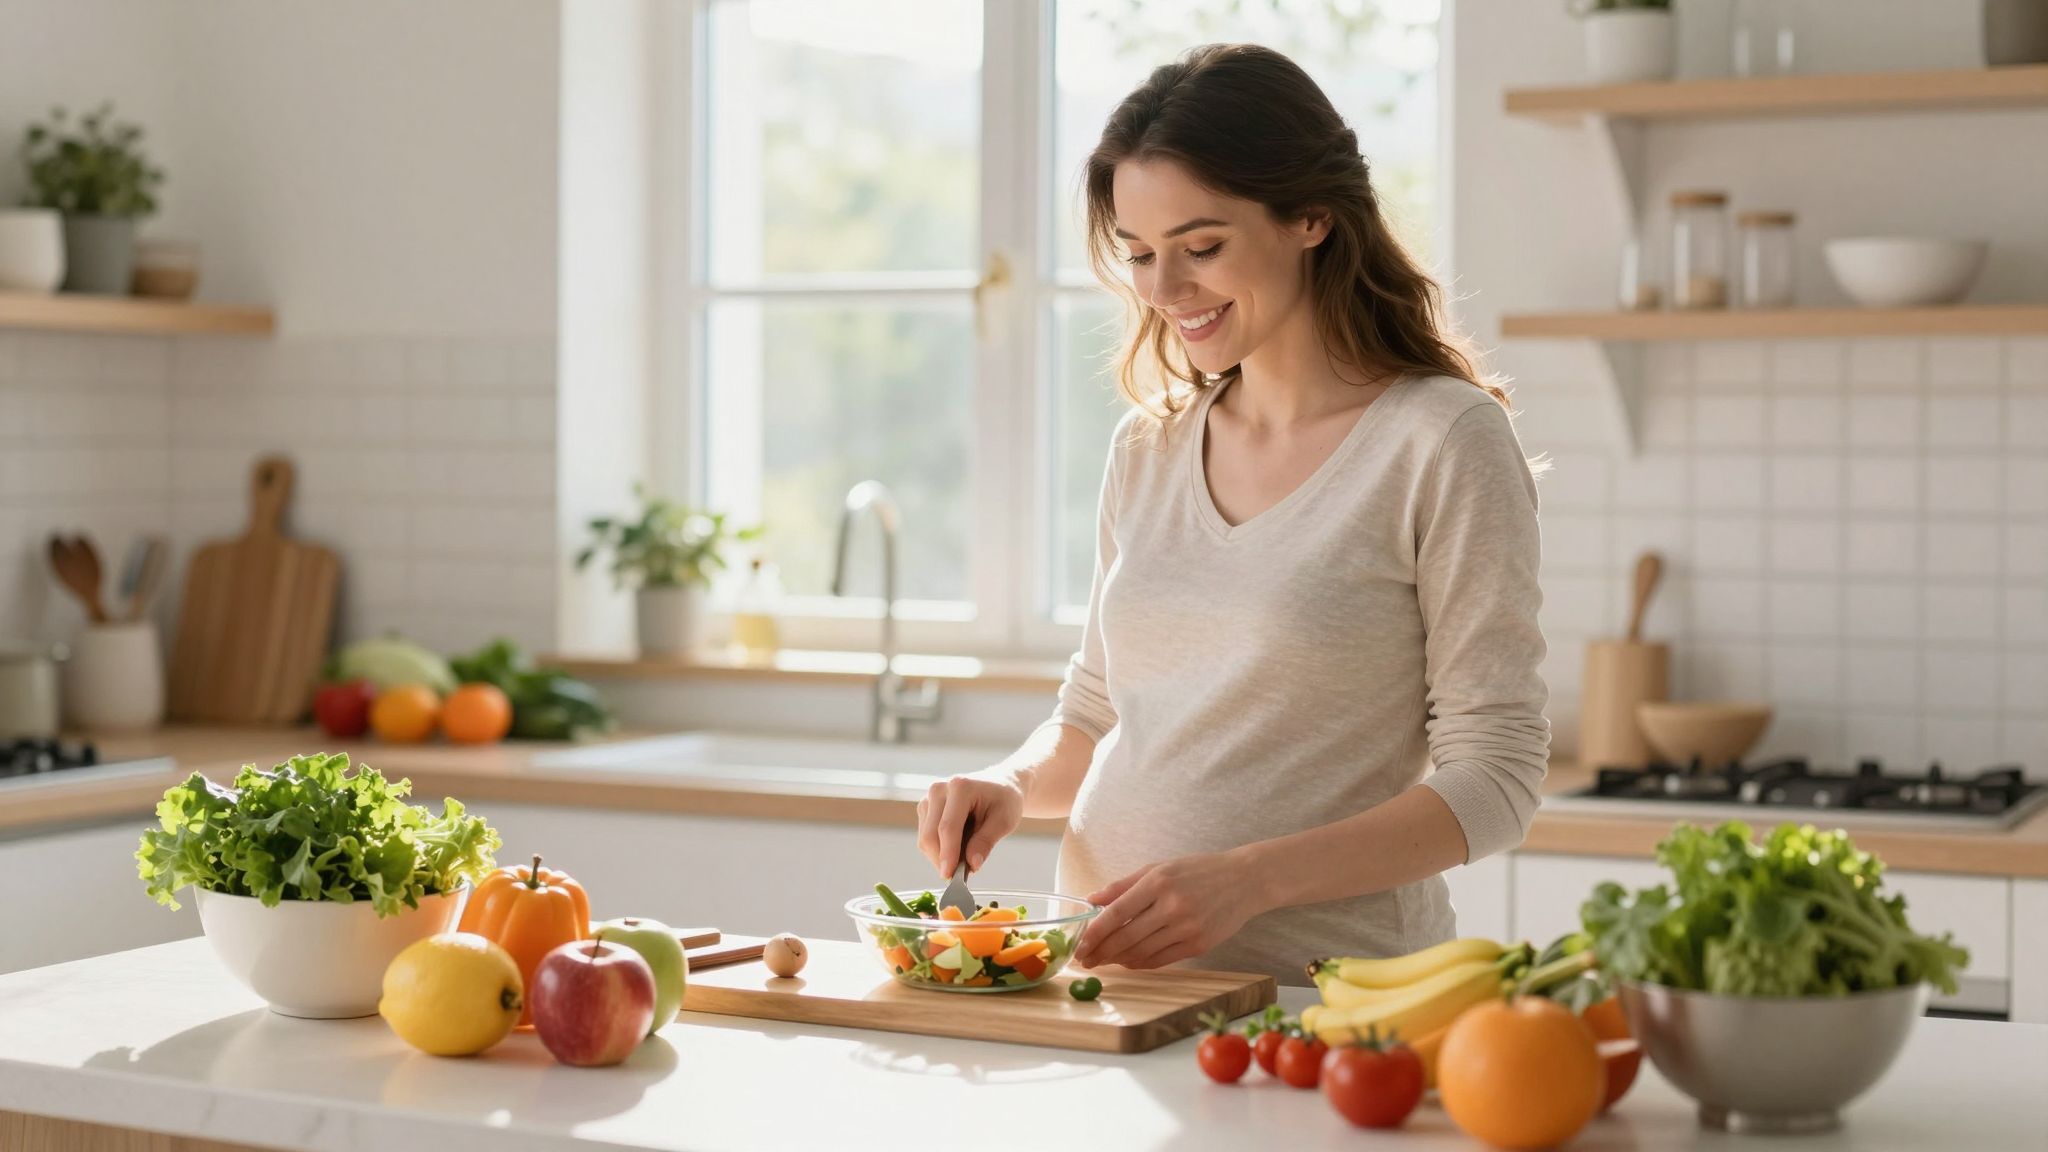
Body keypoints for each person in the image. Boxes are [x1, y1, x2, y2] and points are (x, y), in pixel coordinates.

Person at [915, 43, 1549, 985]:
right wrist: (1011, 783)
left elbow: (1495, 779)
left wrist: (1247, 882)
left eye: (1201, 248)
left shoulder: (1441, 440)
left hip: (1322, 1002)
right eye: (1138, 255)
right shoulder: (1150, 446)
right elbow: (1093, 710)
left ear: (1311, 216)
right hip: (1105, 987)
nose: (1165, 293)